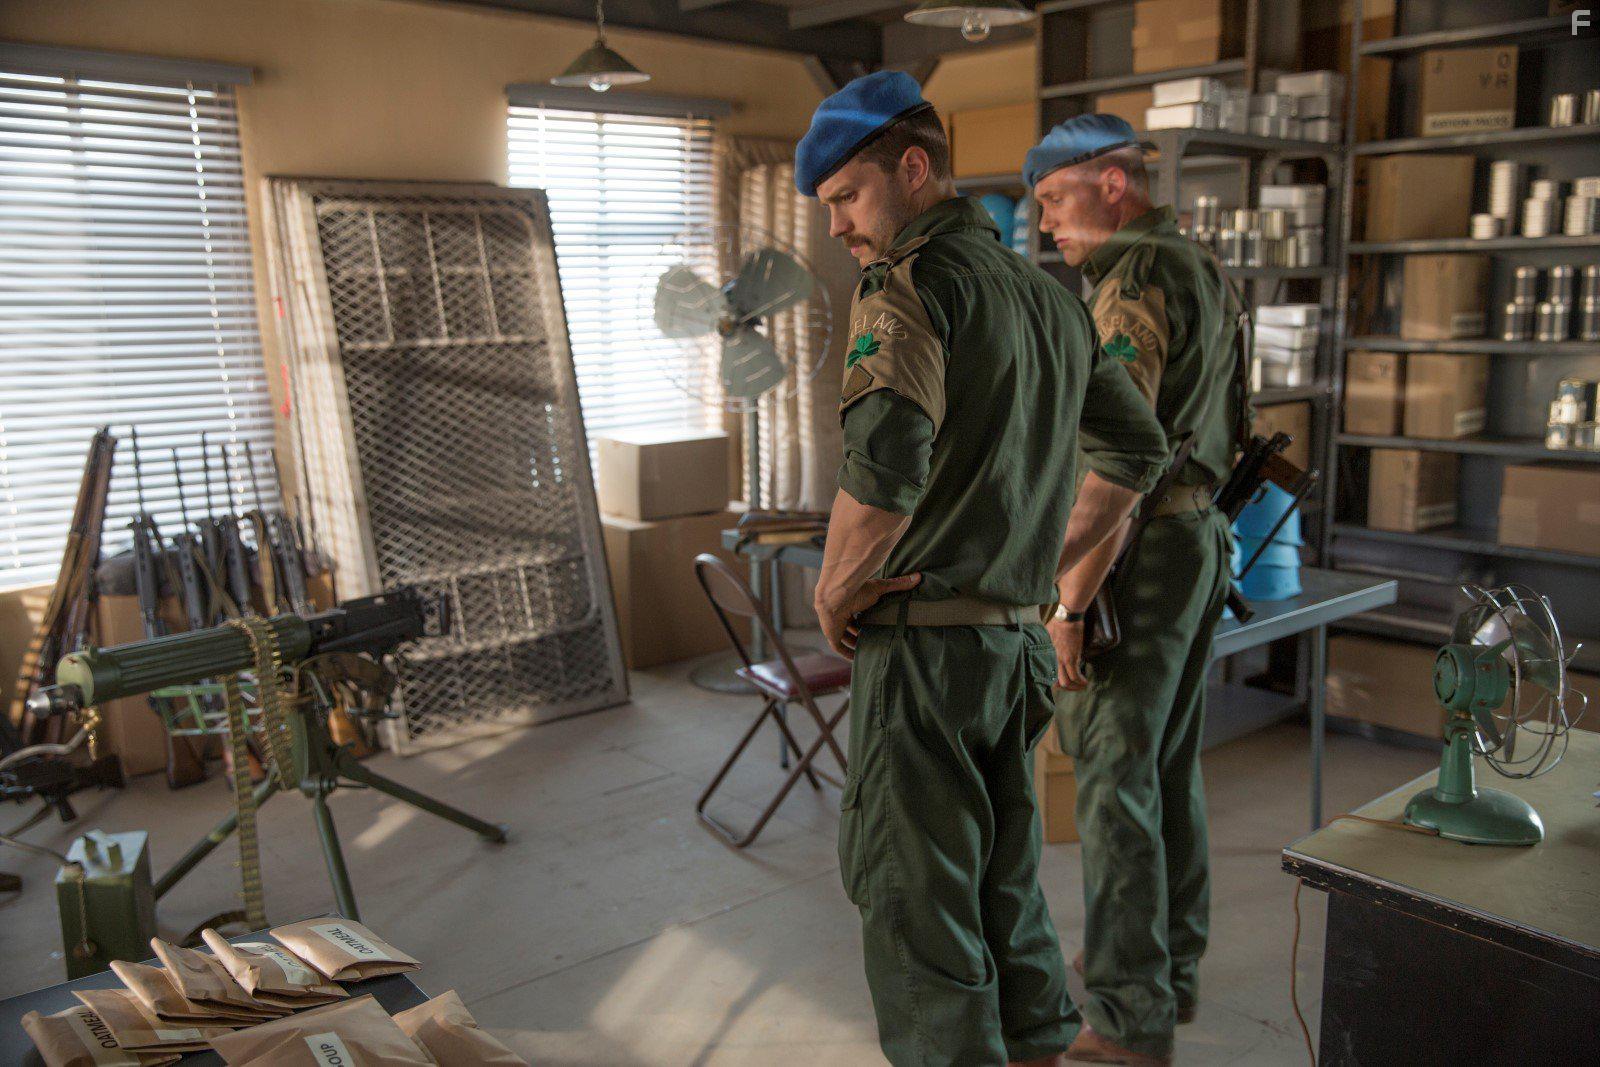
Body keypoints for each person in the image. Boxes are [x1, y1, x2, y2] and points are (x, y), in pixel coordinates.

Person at [798, 74, 1172, 1067]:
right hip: (1012, 648)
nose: (836, 226)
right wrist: (1037, 562)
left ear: (913, 170)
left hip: (924, 655)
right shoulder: (1049, 301)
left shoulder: (912, 285)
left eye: (845, 197)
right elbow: (1137, 449)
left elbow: (883, 465)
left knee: (918, 901)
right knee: (1006, 884)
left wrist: (836, 586)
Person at [1027, 114, 1246, 1067]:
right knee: (1165, 766)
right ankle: (1167, 966)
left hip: (1141, 550)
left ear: (1112, 183)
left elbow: (1119, 457)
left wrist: (1069, 602)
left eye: (1053, 200)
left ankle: (1125, 1017)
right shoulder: (1197, 262)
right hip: (1200, 534)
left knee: (1114, 784)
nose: (1044, 227)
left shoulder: (1133, 283)